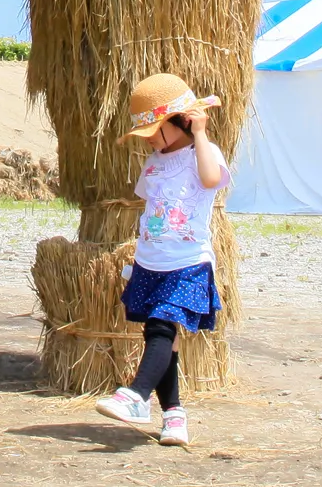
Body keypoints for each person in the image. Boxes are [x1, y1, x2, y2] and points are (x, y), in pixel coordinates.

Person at [94, 73, 228, 447]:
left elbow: (209, 178)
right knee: (161, 338)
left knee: (163, 325)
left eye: (156, 129)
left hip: (188, 262)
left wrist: (200, 133)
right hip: (151, 262)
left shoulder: (203, 154)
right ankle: (174, 415)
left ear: (181, 121)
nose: (151, 139)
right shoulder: (152, 164)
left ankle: (136, 396)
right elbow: (149, 204)